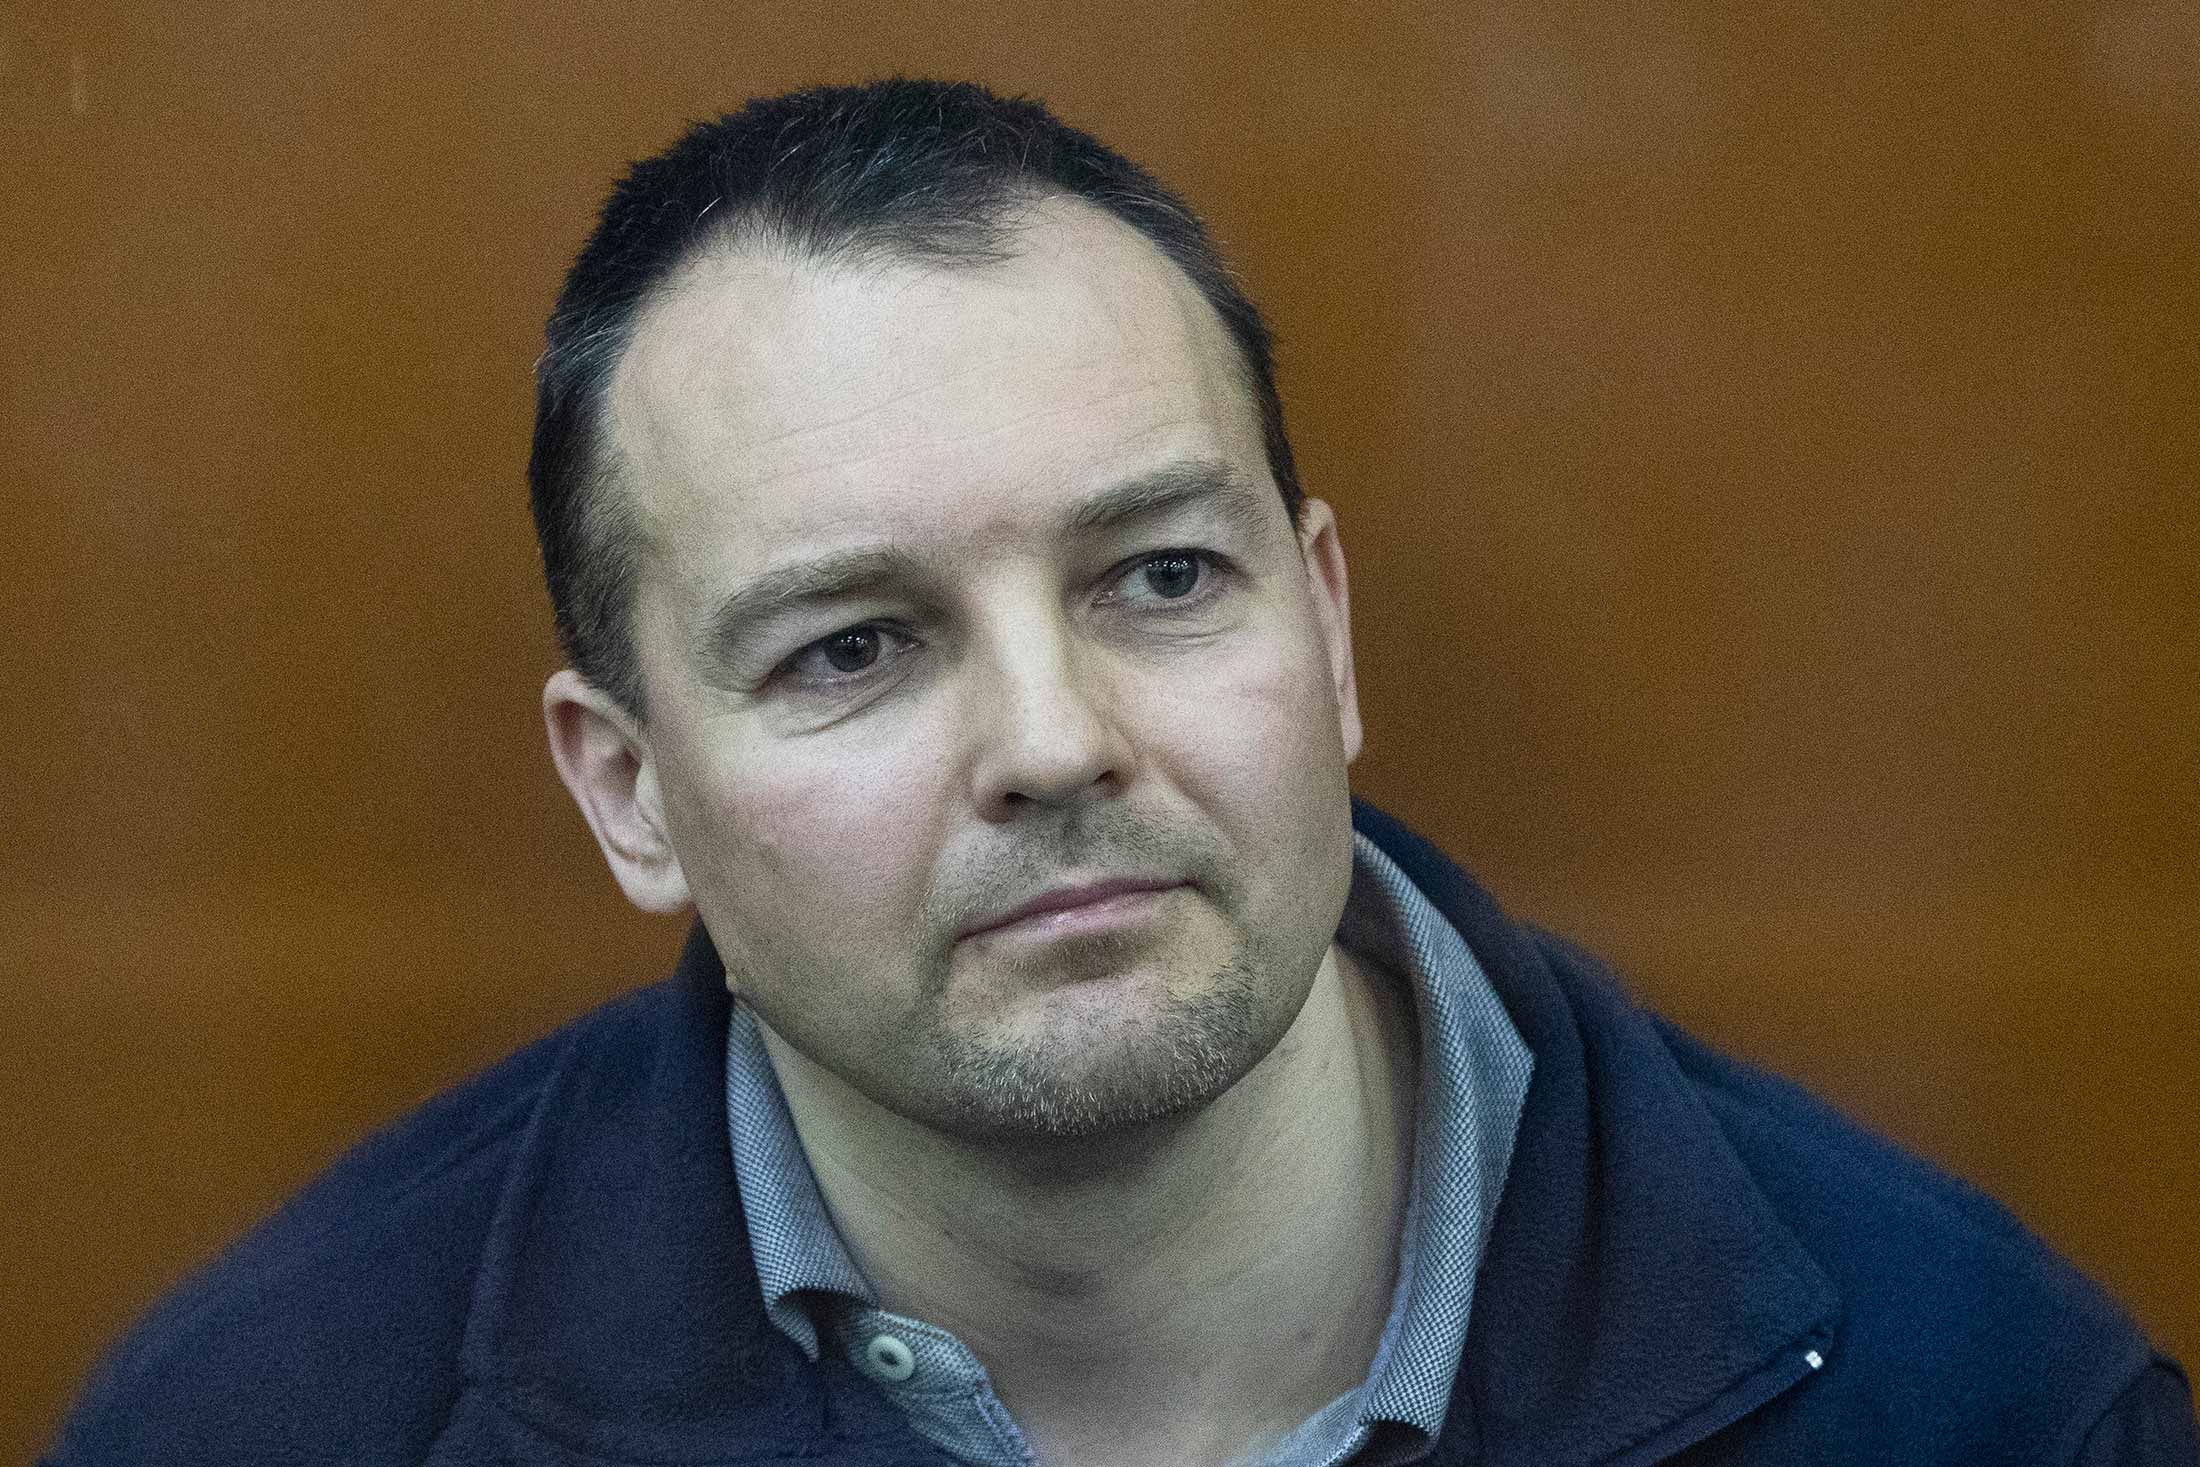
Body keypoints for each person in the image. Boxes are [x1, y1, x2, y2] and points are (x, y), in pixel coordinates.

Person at [49, 78, 2195, 1467]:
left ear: (1325, 630)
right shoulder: (263, 1425)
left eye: (1160, 576)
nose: (1057, 740)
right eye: (852, 645)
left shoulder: (1987, 1407)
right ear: (629, 793)